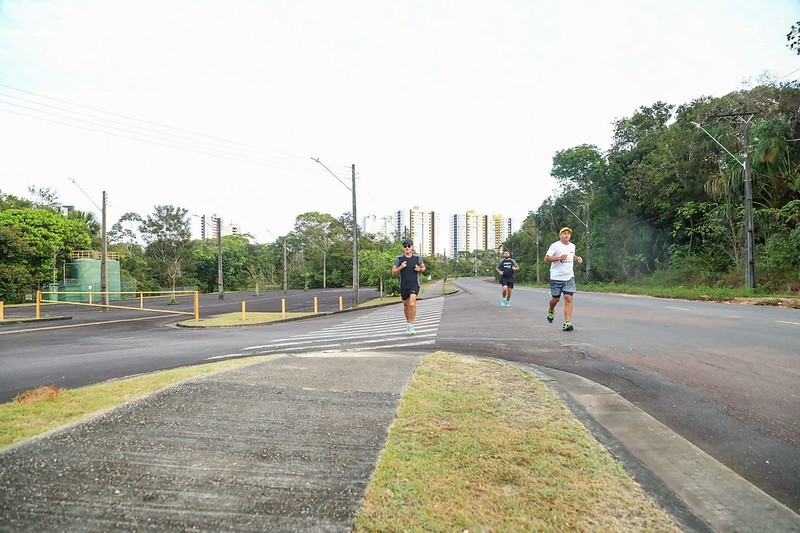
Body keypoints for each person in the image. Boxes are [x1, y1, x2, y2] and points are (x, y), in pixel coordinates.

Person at [545, 227, 583, 331]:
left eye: (568, 234)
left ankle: (567, 323)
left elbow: (572, 255)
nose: (567, 235)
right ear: (560, 235)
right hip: (556, 278)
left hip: (569, 277)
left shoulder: (572, 246)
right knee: (555, 299)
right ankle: (551, 310)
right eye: (564, 233)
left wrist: (577, 258)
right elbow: (547, 258)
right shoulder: (555, 246)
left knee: (568, 298)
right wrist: (559, 258)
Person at [392, 238, 426, 335]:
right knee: (406, 306)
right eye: (405, 246)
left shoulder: (417, 258)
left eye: (408, 246)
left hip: (414, 284)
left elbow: (423, 268)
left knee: (412, 304)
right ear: (403, 248)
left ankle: (411, 325)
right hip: (404, 285)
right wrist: (401, 267)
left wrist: (419, 269)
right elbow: (393, 272)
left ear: (412, 247)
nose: (407, 248)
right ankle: (408, 324)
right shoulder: (399, 259)